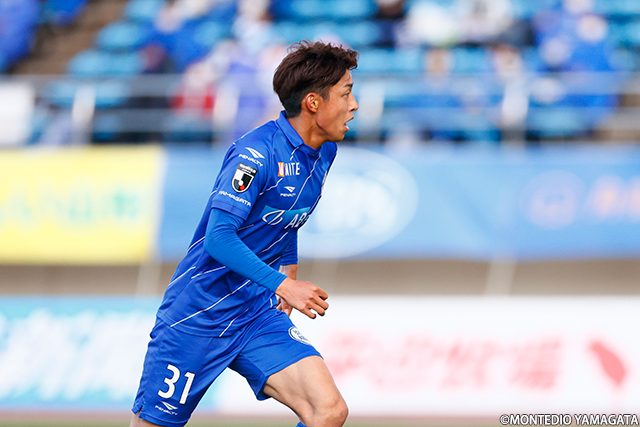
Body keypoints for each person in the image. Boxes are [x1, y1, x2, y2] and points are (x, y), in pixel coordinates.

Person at [130, 40, 359, 427]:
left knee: (329, 411)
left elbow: (287, 214)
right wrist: (284, 285)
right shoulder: (255, 154)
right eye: (346, 93)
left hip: (255, 313)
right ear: (313, 103)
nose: (354, 105)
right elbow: (219, 238)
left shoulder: (324, 152)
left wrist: (288, 269)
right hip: (199, 315)